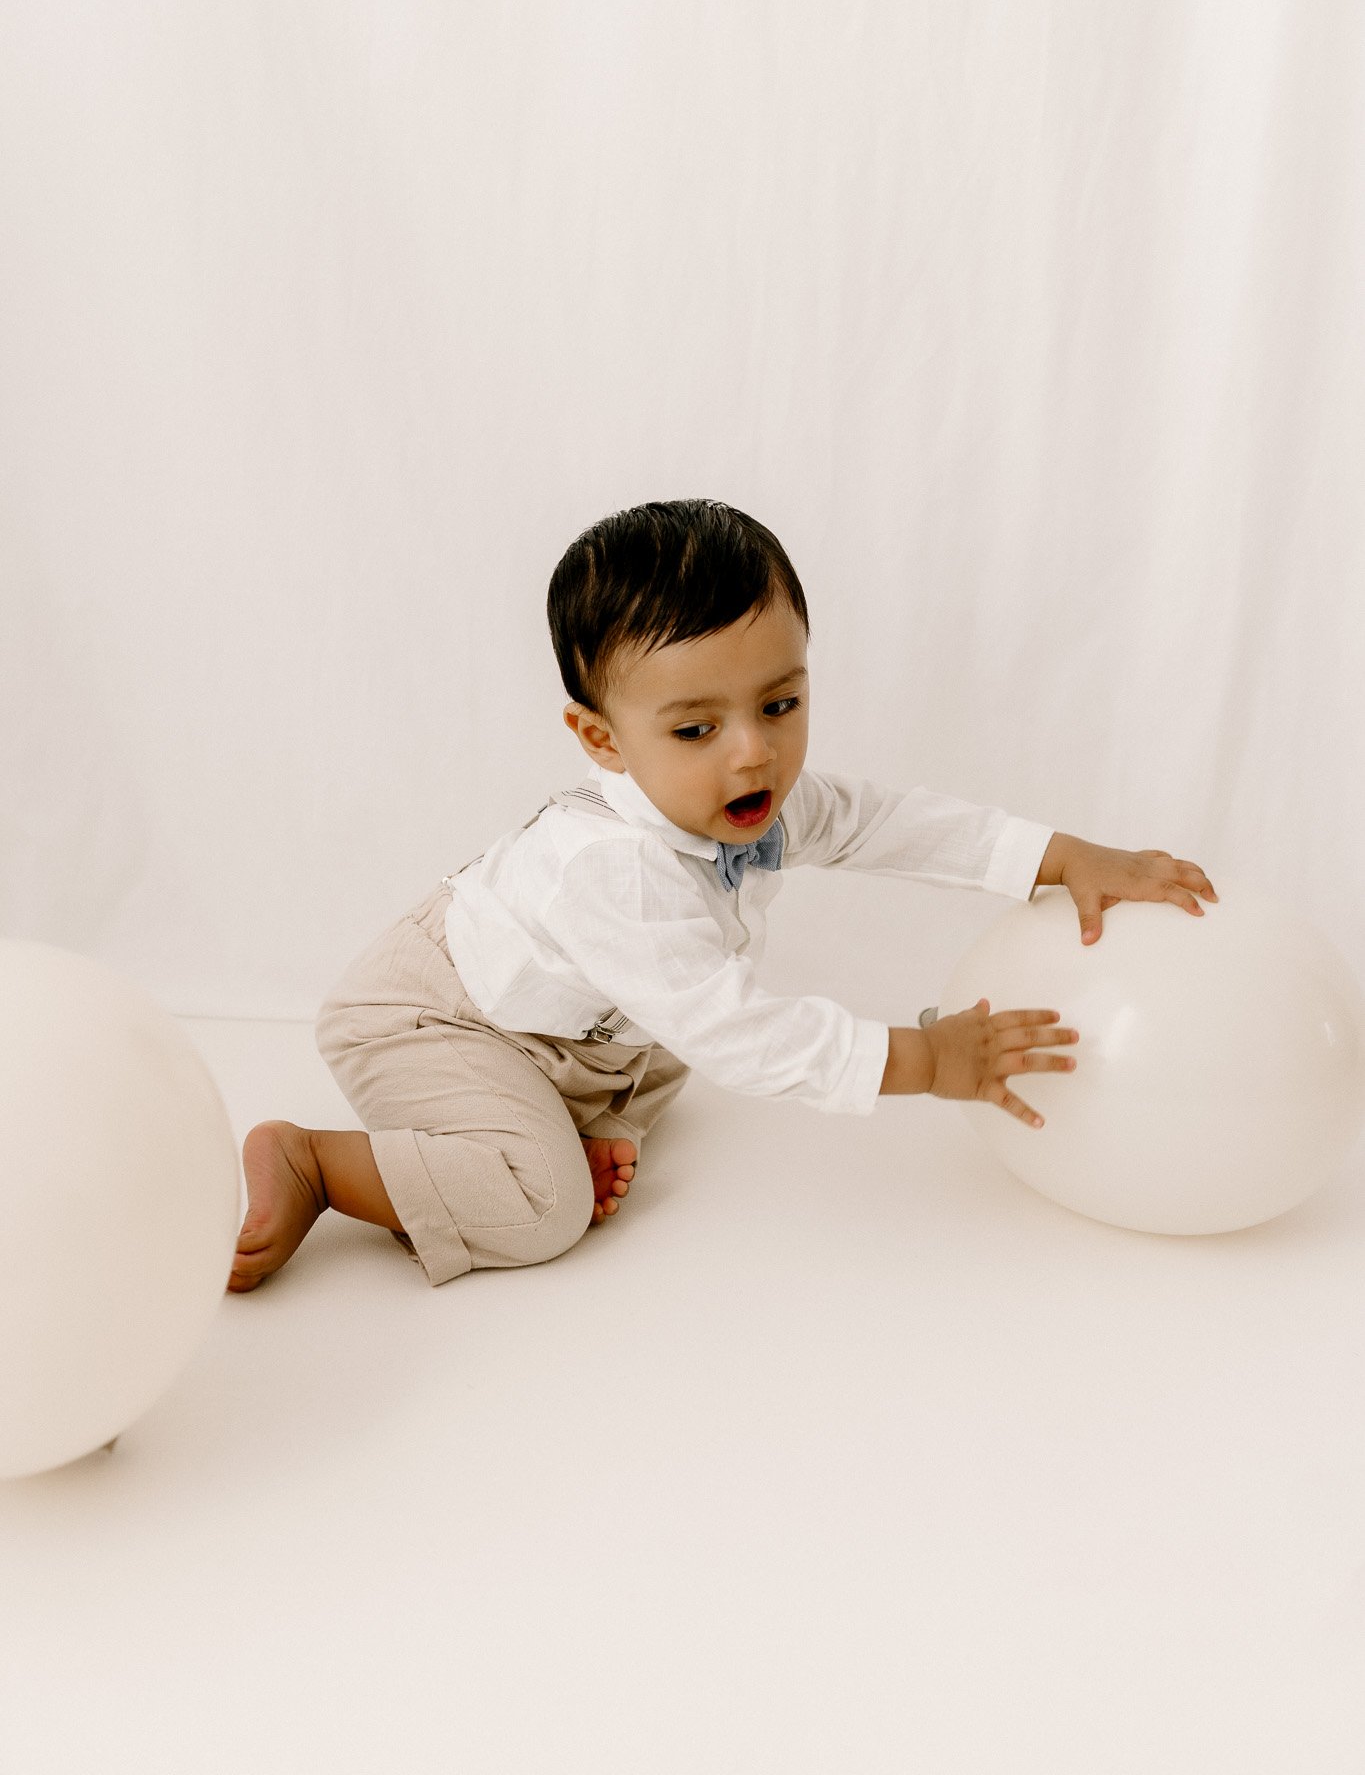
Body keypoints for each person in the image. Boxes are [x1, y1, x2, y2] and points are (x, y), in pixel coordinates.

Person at [228, 498, 1217, 1293]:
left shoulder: (743, 799)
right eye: (695, 728)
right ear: (602, 739)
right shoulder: (610, 870)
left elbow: (888, 820)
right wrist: (925, 1058)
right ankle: (320, 1160)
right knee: (545, 1205)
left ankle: (581, 1113)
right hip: (432, 1016)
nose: (755, 751)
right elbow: (743, 1035)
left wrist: (1062, 855)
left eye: (780, 704)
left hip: (571, 1016)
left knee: (667, 1040)